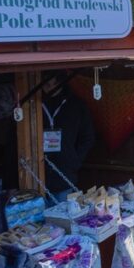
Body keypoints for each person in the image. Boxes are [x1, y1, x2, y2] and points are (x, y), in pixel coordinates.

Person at [41, 71, 95, 201]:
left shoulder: (76, 105)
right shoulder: (32, 104)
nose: (50, 88)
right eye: (46, 84)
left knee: (63, 217)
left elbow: (88, 137)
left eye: (53, 83)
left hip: (65, 174)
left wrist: (74, 161)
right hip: (37, 173)